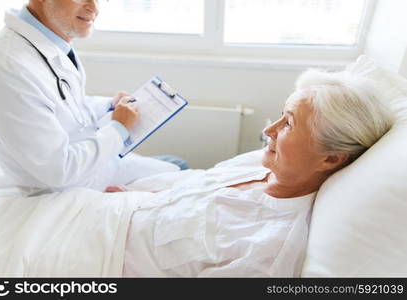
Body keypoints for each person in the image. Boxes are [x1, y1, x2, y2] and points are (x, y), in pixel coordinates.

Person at [106, 69, 393, 277]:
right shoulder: (258, 164)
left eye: (289, 124)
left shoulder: (268, 251)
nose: (268, 130)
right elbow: (192, 190)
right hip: (118, 211)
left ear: (330, 159)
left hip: (104, 258)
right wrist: (137, 195)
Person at [0, 0, 186, 195]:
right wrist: (118, 129)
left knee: (177, 164)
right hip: (67, 188)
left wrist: (108, 106)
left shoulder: (52, 39)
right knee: (180, 167)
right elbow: (58, 170)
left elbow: (61, 104)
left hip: (89, 165)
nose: (94, 8)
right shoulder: (9, 66)